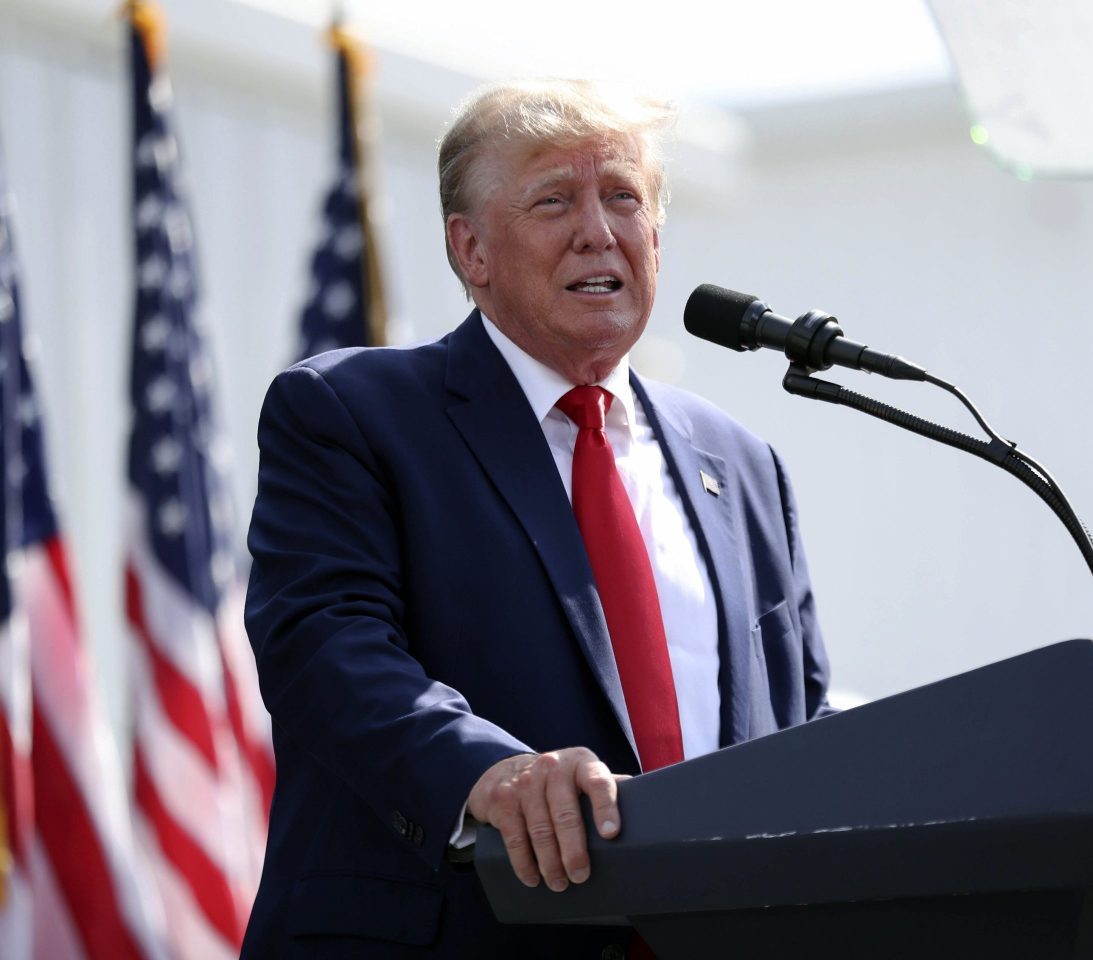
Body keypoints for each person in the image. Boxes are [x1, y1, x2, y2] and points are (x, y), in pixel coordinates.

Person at [241, 79, 831, 959]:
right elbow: (324, 646)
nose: (599, 230)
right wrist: (487, 770)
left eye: (624, 197)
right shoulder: (352, 413)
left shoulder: (742, 464)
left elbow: (801, 725)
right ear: (470, 249)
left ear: (657, 238)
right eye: (555, 199)